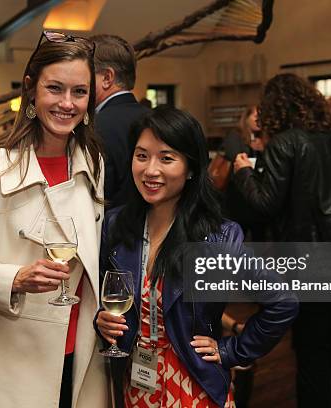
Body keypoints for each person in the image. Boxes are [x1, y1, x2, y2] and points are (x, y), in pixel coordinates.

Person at [0, 31, 107, 407]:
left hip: (80, 356)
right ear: (31, 89)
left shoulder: (92, 164)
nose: (67, 103)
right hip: (8, 361)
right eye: (55, 88)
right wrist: (14, 278)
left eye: (79, 92)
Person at [95, 106, 298, 407]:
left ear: (190, 168)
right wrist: (102, 319)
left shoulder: (217, 238)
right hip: (135, 383)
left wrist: (232, 352)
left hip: (193, 385)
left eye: (166, 158)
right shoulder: (116, 225)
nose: (150, 170)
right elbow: (101, 293)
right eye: (142, 156)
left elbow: (282, 302)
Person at [232, 73, 331, 407]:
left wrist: (243, 172)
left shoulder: (285, 142)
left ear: (275, 106)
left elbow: (264, 204)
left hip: (311, 261)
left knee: (312, 352)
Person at [90, 34, 149, 208]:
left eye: (84, 74)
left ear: (107, 78)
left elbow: (98, 196)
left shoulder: (96, 127)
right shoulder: (153, 118)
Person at [222, 105, 270, 241]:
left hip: (258, 192)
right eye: (255, 116)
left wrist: (263, 149)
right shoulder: (235, 135)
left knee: (260, 237)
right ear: (246, 118)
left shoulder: (266, 138)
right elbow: (234, 155)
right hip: (238, 194)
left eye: (262, 117)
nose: (259, 120)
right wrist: (250, 147)